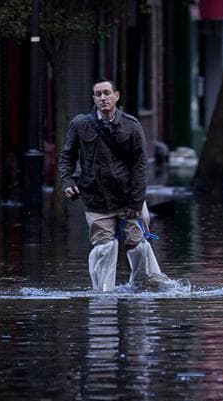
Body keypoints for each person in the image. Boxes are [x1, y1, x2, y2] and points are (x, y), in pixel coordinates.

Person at [58, 78, 169, 292]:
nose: (103, 98)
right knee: (104, 247)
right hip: (96, 199)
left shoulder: (131, 126)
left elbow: (140, 166)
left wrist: (136, 204)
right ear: (93, 98)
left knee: (136, 245)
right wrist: (67, 181)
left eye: (106, 93)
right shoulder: (80, 125)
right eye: (98, 94)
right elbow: (67, 156)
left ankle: (142, 287)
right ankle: (103, 293)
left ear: (116, 96)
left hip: (128, 199)